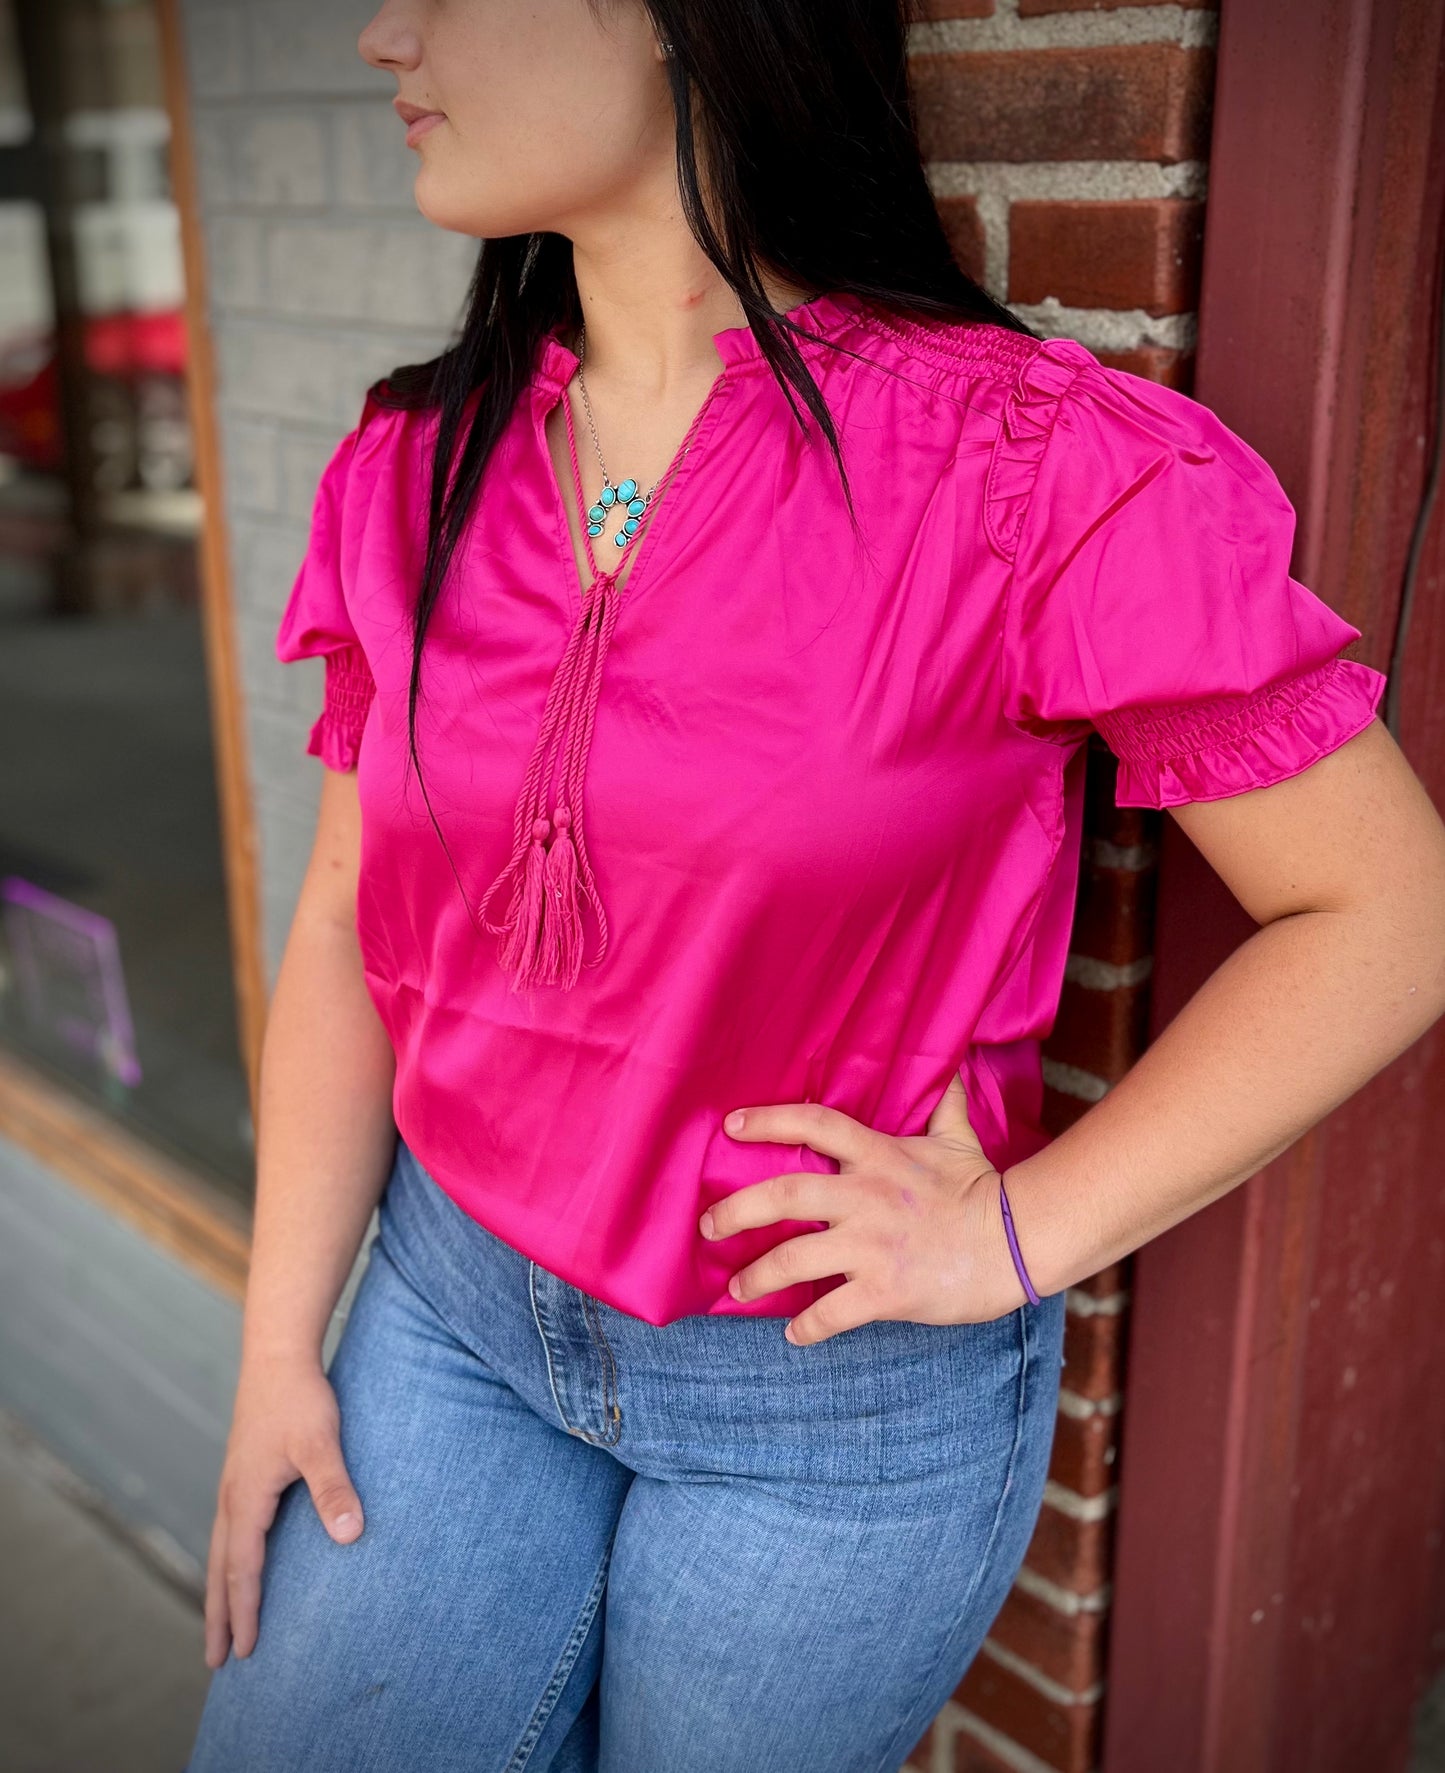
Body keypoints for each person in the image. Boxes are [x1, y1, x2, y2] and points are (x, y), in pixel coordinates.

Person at [184, 3, 1445, 1769]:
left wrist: (1016, 1233)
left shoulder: (1027, 469)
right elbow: (341, 919)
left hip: (822, 1403)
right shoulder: (410, 465)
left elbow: (1388, 910)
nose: (389, 36)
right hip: (444, 1317)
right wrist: (272, 1352)